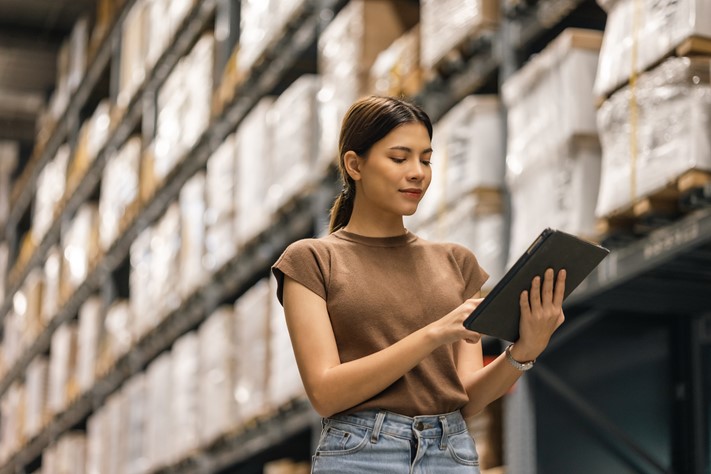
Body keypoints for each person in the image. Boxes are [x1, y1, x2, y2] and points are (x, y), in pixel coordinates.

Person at [271, 96, 566, 473]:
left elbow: (468, 397)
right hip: (362, 455)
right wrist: (432, 335)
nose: (417, 173)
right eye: (399, 158)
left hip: (450, 453)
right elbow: (326, 393)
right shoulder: (312, 260)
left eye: (426, 160)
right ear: (354, 164)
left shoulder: (456, 263)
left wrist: (525, 350)